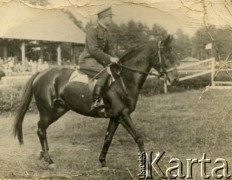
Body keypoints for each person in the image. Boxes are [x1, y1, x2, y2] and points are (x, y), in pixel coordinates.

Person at [78, 7, 119, 110]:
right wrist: (110, 59)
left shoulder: (105, 32)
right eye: (110, 17)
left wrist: (115, 58)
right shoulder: (92, 30)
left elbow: (108, 49)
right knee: (104, 72)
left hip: (98, 60)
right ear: (104, 17)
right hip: (87, 60)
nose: (111, 19)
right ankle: (96, 101)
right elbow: (93, 50)